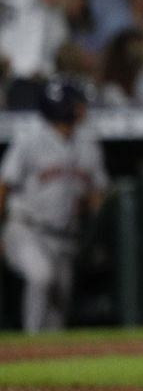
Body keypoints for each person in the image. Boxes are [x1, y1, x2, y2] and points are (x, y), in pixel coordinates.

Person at [0, 78, 109, 332]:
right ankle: (31, 343)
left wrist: (94, 206)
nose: (82, 108)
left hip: (65, 237)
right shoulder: (31, 139)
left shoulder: (88, 143)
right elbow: (4, 184)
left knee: (59, 306)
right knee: (41, 277)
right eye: (77, 104)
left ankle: (50, 357)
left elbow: (98, 191)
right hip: (26, 229)